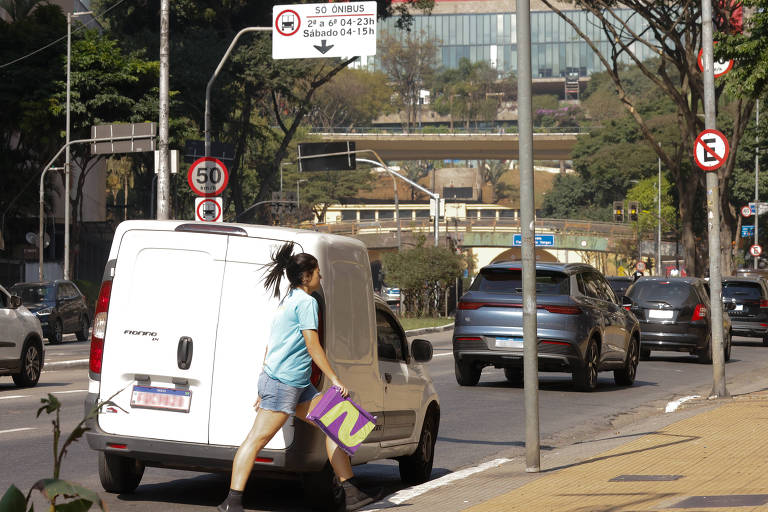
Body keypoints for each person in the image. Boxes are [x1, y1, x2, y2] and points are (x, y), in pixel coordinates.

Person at [217, 242, 378, 512]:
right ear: (306, 276)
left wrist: (263, 383)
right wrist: (335, 380)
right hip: (284, 383)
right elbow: (313, 345)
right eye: (317, 272)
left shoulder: (289, 298)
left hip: (293, 382)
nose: (320, 277)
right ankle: (232, 502)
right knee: (256, 439)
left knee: (341, 423)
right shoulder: (305, 302)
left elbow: (273, 344)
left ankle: (350, 491)